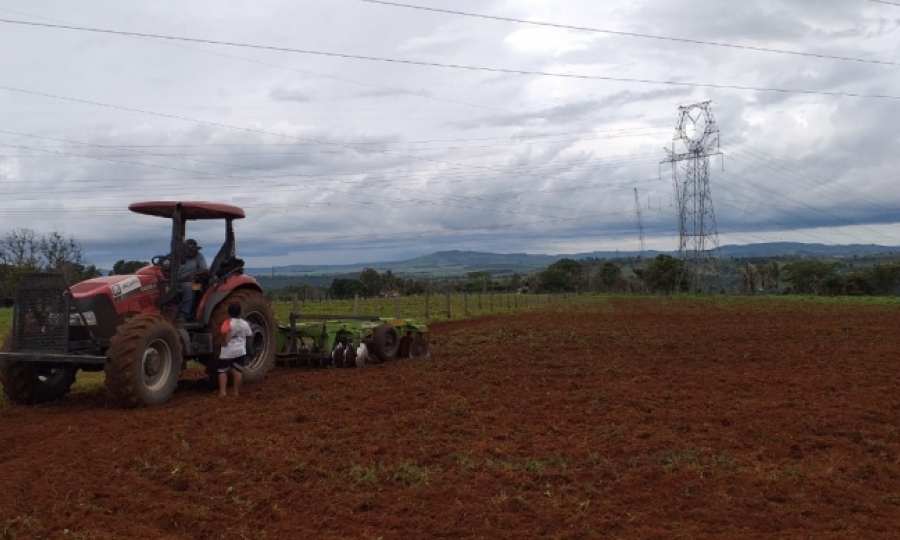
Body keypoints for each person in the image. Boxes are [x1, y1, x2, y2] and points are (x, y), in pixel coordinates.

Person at [217, 302, 253, 398]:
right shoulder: (245, 324)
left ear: (229, 313)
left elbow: (223, 332)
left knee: (222, 371)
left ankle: (223, 392)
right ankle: (236, 393)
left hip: (227, 352)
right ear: (240, 313)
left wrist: (224, 341)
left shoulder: (227, 322)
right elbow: (249, 335)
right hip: (240, 351)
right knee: (238, 371)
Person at [177, 238, 208, 322]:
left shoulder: (198, 256)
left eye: (193, 251)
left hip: (194, 283)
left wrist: (193, 274)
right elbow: (166, 264)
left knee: (189, 287)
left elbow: (205, 269)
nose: (191, 252)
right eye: (189, 250)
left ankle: (184, 313)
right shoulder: (177, 256)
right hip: (176, 281)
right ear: (185, 250)